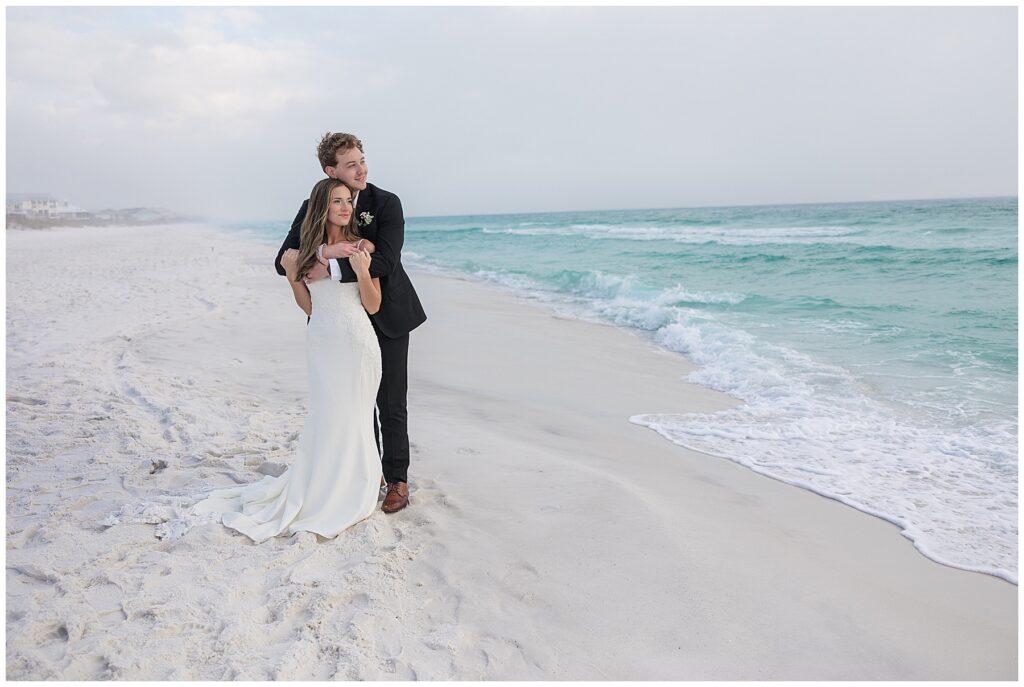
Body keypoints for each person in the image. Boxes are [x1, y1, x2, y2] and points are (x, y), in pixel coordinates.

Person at [191, 179, 383, 541]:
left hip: (358, 343)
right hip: (322, 340)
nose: (346, 207)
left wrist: (361, 271)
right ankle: (322, 485)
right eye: (337, 201)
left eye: (348, 201)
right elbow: (309, 306)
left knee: (355, 415)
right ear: (322, 207)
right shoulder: (305, 253)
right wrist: (294, 278)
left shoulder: (361, 247)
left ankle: (356, 485)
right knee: (327, 414)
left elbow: (373, 305)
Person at [274, 132, 426, 513]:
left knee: (390, 401)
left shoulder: (386, 203)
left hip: (386, 313)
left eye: (362, 161)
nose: (361, 170)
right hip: (337, 321)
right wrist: (326, 250)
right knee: (352, 400)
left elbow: (386, 261)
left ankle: (397, 479)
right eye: (351, 165)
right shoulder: (315, 203)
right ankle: (367, 471)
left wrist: (328, 267)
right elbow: (283, 258)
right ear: (331, 171)